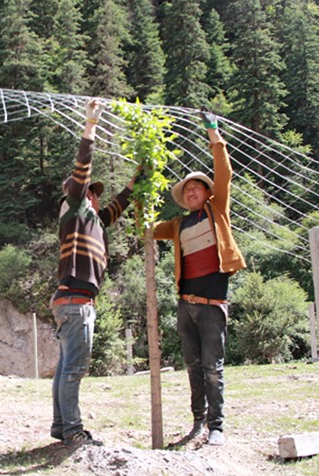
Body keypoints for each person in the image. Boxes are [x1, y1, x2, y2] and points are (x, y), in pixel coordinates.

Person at [153, 111, 246, 447]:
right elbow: (149, 229)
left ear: (207, 192)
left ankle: (216, 426)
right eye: (187, 190)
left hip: (212, 305)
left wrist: (213, 133)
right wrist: (141, 197)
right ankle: (198, 421)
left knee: (212, 367)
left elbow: (224, 172)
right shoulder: (178, 225)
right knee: (192, 365)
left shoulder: (217, 210)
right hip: (186, 305)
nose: (191, 192)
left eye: (196, 188)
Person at [51, 99, 138, 447]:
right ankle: (73, 431)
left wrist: (136, 181)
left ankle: (61, 426)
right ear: (83, 193)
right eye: (93, 193)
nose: (98, 198)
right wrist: (91, 126)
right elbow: (82, 167)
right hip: (76, 302)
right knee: (74, 370)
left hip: (71, 301)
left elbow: (119, 204)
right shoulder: (73, 207)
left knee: (65, 367)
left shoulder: (92, 221)